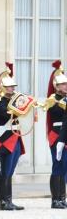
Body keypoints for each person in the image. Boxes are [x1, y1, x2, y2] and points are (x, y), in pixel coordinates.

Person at [0, 64, 25, 211]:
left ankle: (9, 199)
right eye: (9, 87)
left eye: (13, 86)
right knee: (5, 170)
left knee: (10, 171)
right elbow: (6, 114)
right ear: (3, 87)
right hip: (5, 139)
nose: (12, 89)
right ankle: (3, 201)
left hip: (15, 137)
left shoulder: (13, 100)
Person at [45, 61, 67, 209]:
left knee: (64, 167)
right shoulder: (52, 100)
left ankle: (62, 197)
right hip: (56, 135)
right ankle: (55, 199)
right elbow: (57, 113)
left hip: (65, 135)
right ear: (57, 86)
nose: (66, 86)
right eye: (63, 84)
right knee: (57, 166)